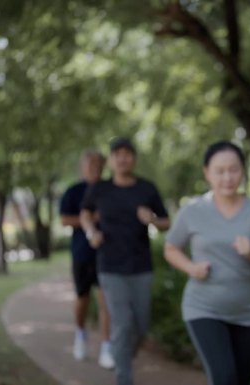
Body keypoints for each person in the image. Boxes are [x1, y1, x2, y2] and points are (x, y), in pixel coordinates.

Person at [164, 141, 250, 385]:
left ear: (242, 171)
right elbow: (171, 248)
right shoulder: (193, 211)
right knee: (224, 378)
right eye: (220, 171)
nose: (227, 177)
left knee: (241, 380)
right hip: (203, 308)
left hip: (249, 312)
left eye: (234, 169)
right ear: (206, 172)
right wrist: (190, 268)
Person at [80, 138, 170, 385]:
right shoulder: (100, 188)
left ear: (134, 158)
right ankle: (124, 378)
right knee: (122, 323)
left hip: (141, 266)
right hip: (110, 266)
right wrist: (91, 233)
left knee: (140, 327)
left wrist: (151, 219)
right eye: (117, 154)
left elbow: (166, 222)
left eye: (127, 154)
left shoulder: (146, 188)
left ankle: (122, 360)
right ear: (111, 160)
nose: (122, 158)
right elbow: (85, 213)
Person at [59, 150, 115, 368]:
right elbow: (64, 219)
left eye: (98, 164)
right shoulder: (74, 192)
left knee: (105, 302)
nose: (94, 167)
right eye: (90, 164)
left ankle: (106, 348)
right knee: (82, 298)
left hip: (108, 254)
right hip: (82, 253)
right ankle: (80, 334)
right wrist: (89, 219)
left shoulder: (110, 190)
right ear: (83, 167)